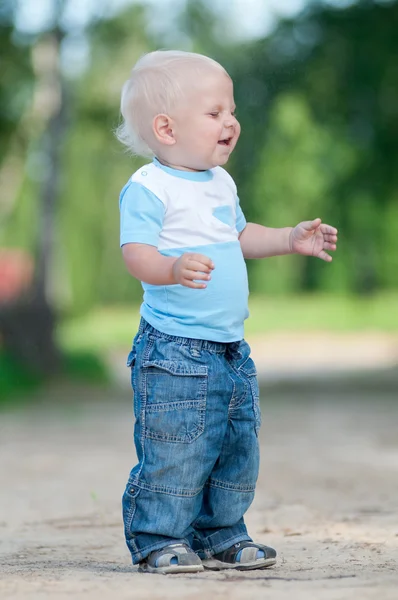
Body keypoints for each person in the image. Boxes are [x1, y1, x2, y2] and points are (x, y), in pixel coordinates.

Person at [116, 50, 338, 574]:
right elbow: (135, 253)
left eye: (231, 110)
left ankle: (221, 534)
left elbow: (240, 236)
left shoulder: (221, 183)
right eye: (215, 112)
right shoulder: (149, 188)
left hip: (230, 349)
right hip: (174, 350)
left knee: (235, 448)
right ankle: (159, 538)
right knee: (177, 450)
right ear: (166, 128)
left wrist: (288, 238)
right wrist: (170, 269)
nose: (231, 122)